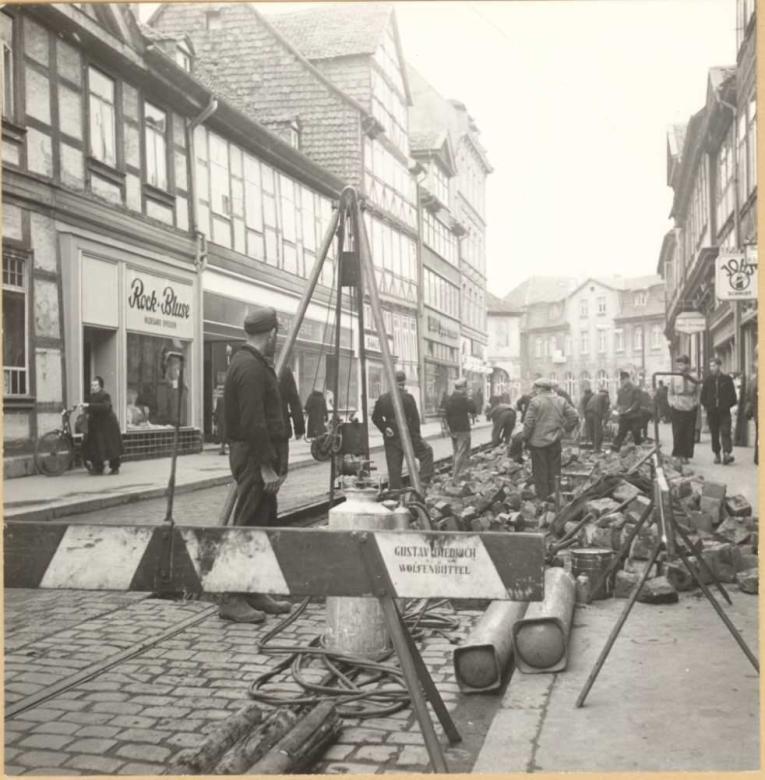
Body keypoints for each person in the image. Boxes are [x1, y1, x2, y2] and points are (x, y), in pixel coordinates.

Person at [221, 306, 292, 623]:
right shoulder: (249, 367)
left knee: (262, 522)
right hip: (253, 457)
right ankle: (231, 597)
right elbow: (253, 421)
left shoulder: (252, 362)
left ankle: (254, 590)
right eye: (278, 333)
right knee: (247, 523)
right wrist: (265, 465)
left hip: (258, 455)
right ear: (272, 334)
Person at [371, 369, 433, 490]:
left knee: (394, 468)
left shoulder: (383, 398)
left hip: (391, 437)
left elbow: (375, 418)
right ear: (403, 383)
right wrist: (417, 438)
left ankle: (395, 493)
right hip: (408, 435)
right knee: (427, 452)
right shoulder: (408, 398)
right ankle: (423, 482)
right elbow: (415, 420)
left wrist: (385, 428)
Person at [522, 378, 579, 501]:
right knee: (555, 471)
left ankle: (543, 501)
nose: (535, 391)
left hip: (537, 443)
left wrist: (525, 438)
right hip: (555, 441)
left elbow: (528, 423)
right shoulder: (561, 400)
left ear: (540, 388)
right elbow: (574, 416)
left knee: (540, 472)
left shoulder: (535, 402)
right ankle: (555, 499)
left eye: (536, 388)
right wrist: (564, 431)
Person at [82, 376, 123, 475]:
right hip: (98, 425)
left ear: (100, 386)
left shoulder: (104, 395)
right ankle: (98, 468)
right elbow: (93, 408)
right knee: (97, 446)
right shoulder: (92, 396)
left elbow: (105, 407)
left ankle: (115, 467)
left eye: (95, 385)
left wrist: (89, 406)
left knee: (110, 446)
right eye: (92, 385)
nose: (93, 387)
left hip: (108, 425)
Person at [700, 357, 738, 465]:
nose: (711, 368)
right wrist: (708, 406)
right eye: (710, 366)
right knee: (715, 433)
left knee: (726, 431)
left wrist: (726, 405)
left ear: (719, 366)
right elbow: (703, 397)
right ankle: (717, 454)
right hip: (712, 412)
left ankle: (726, 454)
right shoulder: (708, 380)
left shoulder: (727, 379)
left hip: (724, 411)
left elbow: (733, 396)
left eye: (713, 365)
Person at [667, 354, 701, 464]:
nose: (679, 367)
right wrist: (672, 403)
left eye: (682, 364)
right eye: (678, 364)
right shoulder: (674, 377)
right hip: (677, 407)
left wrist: (695, 403)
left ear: (688, 364)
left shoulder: (694, 377)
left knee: (689, 433)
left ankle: (686, 455)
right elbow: (670, 393)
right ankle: (678, 455)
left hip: (690, 407)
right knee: (678, 432)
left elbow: (698, 392)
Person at [277, 364, 305, 476]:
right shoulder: (284, 370)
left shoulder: (250, 366)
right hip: (280, 430)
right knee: (280, 472)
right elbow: (294, 400)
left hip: (257, 431)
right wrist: (299, 428)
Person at [445, 377, 476, 480]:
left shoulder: (449, 398)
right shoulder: (464, 398)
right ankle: (456, 476)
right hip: (463, 429)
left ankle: (456, 472)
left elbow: (447, 414)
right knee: (462, 452)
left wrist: (449, 428)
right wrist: (470, 398)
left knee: (456, 451)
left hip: (453, 429)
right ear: (463, 388)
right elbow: (473, 409)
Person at [611, 371, 643, 450]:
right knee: (621, 432)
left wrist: (630, 409)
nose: (622, 381)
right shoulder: (620, 390)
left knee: (636, 432)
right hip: (624, 416)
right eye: (621, 380)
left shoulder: (635, 389)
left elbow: (637, 401)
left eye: (624, 379)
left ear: (628, 379)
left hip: (634, 415)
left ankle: (638, 448)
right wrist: (617, 408)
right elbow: (618, 402)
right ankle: (615, 449)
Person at [155, 354, 188, 427]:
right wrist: (173, 383)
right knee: (174, 407)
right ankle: (175, 421)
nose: (180, 364)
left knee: (183, 408)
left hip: (183, 392)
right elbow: (167, 379)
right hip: (174, 392)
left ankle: (182, 422)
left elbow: (187, 381)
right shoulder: (171, 369)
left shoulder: (186, 370)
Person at [585, 387, 610, 453]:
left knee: (592, 430)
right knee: (597, 431)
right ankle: (597, 449)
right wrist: (605, 422)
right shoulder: (605, 395)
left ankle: (594, 447)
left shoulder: (595, 395)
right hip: (596, 413)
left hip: (588, 412)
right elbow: (606, 409)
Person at [745, 346, 758, 465]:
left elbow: (749, 397)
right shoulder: (754, 380)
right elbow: (750, 396)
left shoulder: (753, 380)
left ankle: (758, 458)